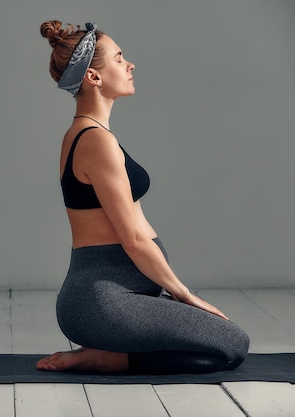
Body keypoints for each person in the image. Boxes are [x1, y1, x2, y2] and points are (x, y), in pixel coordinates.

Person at [36, 20, 250, 374]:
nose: (130, 65)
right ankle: (106, 358)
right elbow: (133, 240)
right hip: (102, 302)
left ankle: (110, 355)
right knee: (233, 346)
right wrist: (185, 295)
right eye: (119, 59)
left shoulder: (91, 134)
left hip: (119, 297)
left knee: (224, 344)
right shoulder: (94, 141)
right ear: (93, 77)